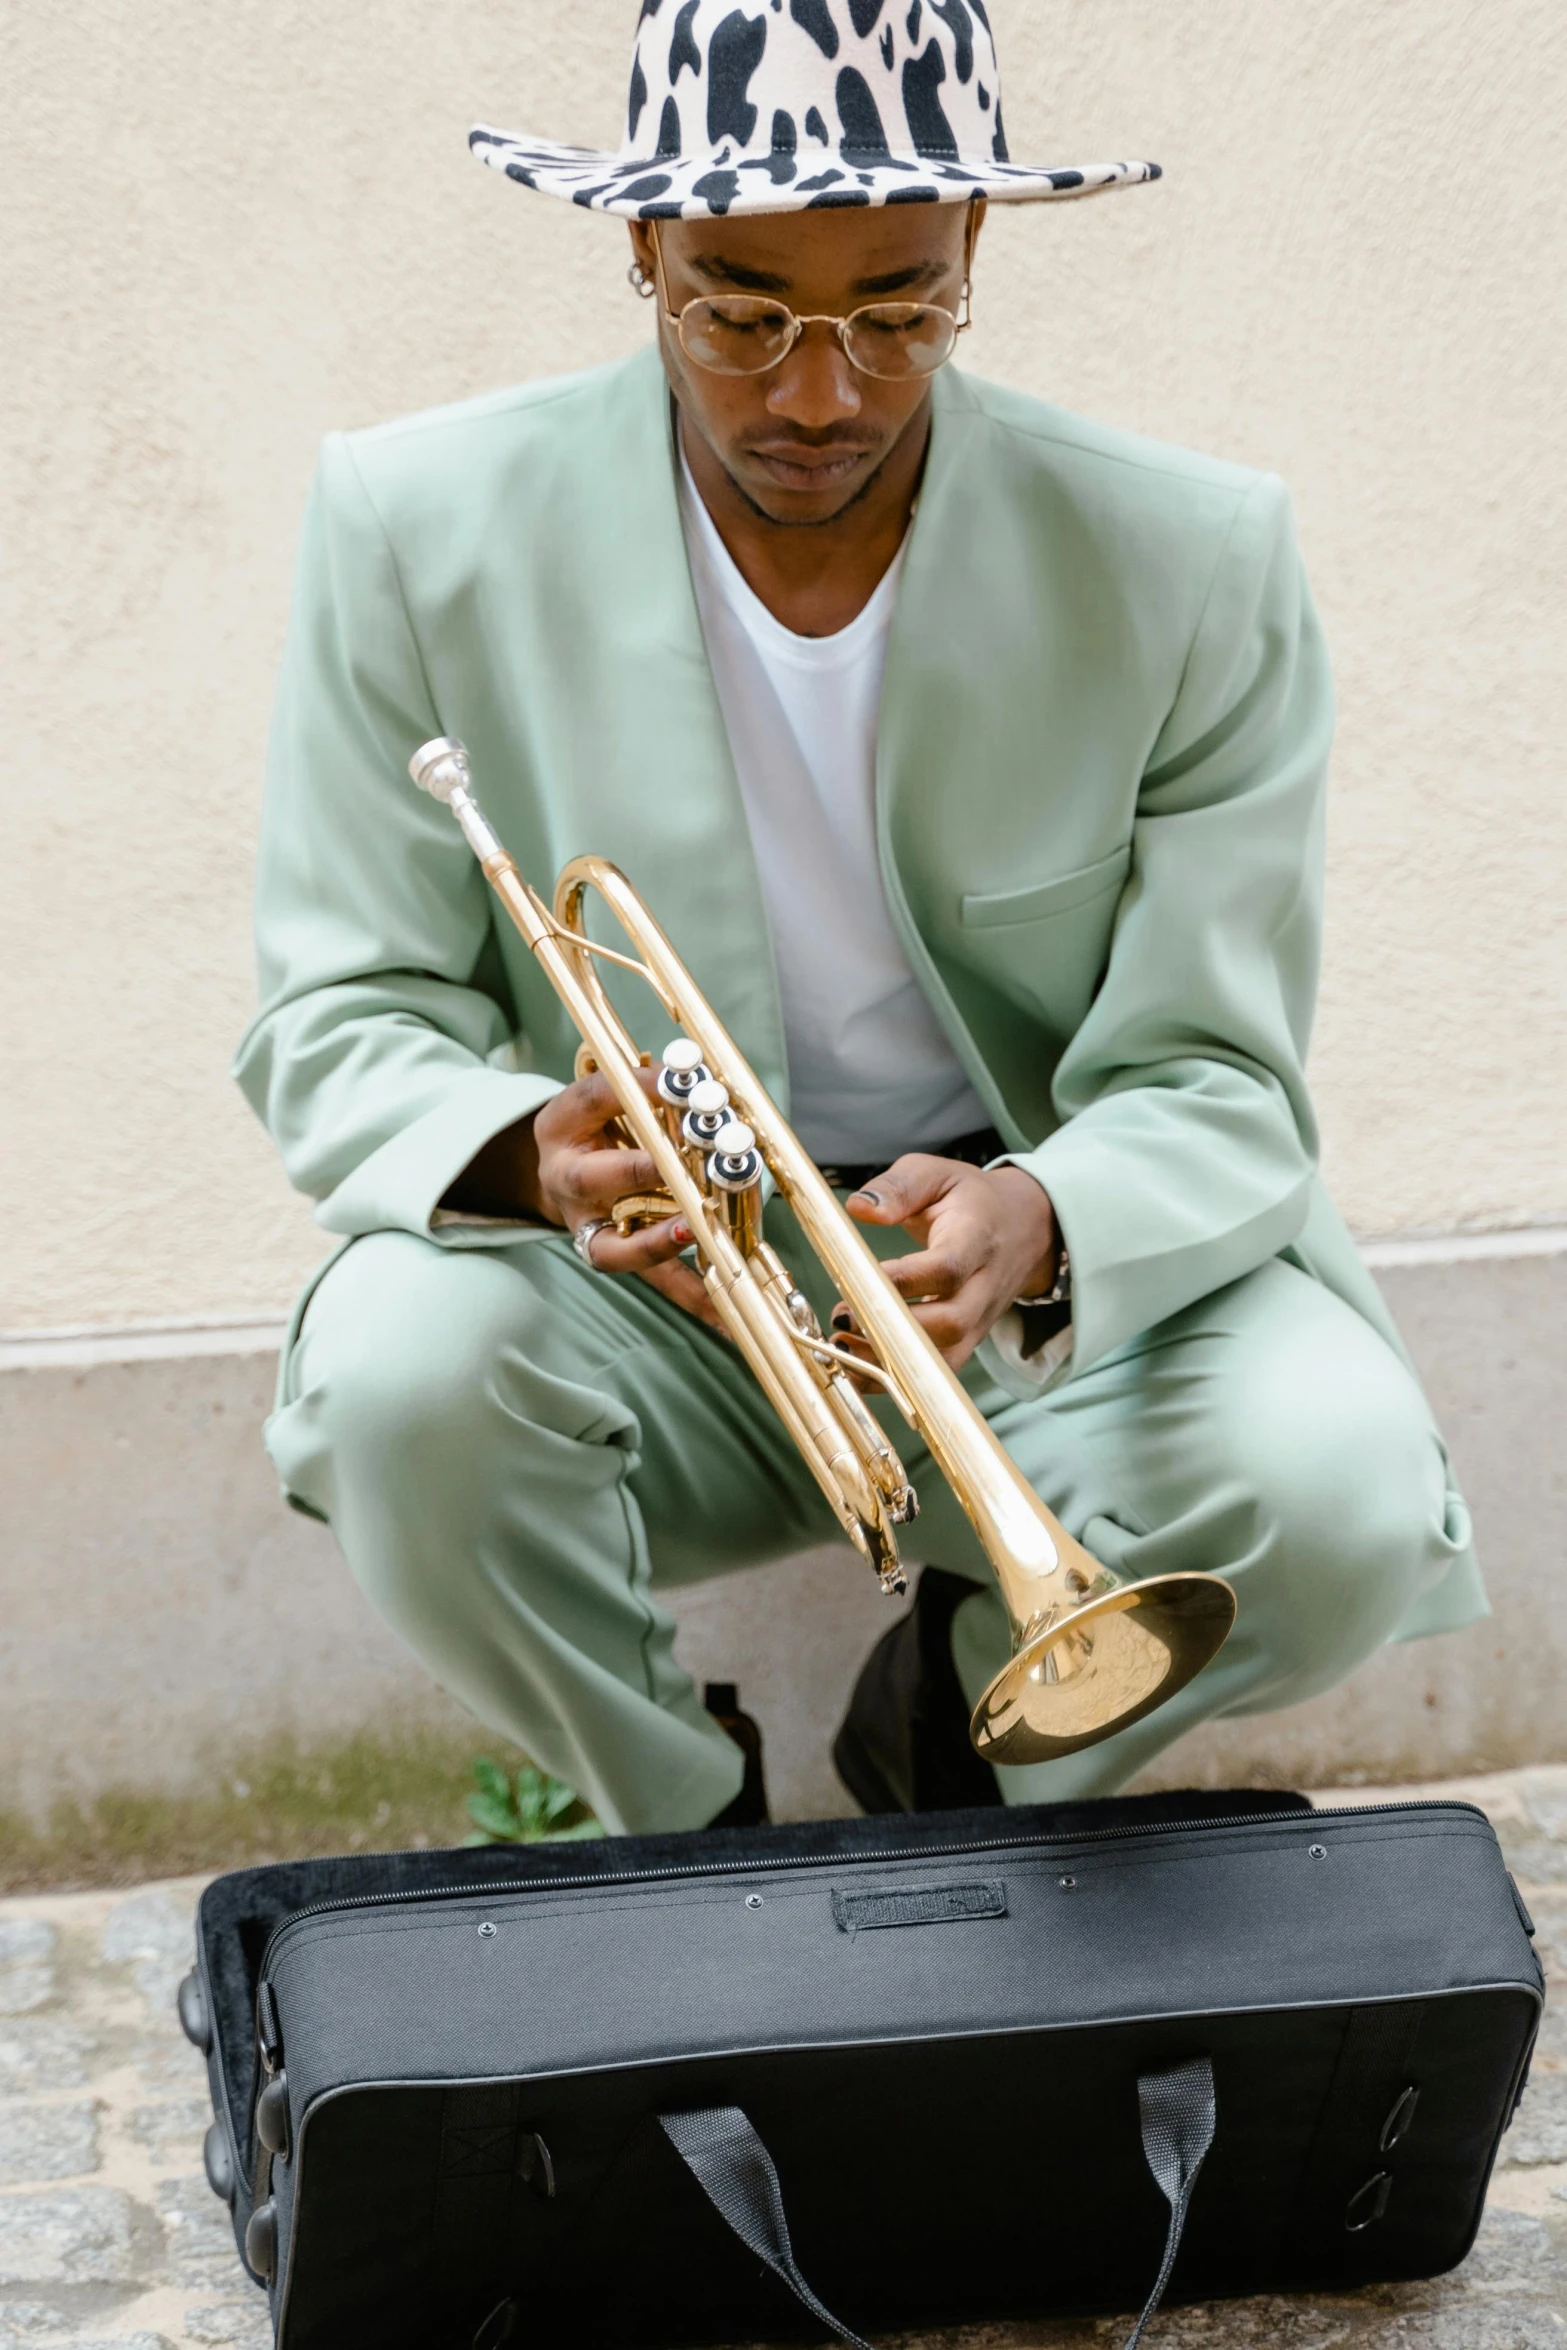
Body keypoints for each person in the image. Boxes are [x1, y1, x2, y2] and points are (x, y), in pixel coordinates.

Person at [237, 0, 1484, 1835]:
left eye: (895, 311)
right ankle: (685, 1834)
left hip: (1027, 1287)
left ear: (972, 251)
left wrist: (1044, 1211)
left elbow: (1222, 1079)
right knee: (391, 1376)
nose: (816, 392)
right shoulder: (418, 525)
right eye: (740, 309)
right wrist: (529, 1148)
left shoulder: (1185, 563)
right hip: (662, 1288)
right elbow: (333, 1017)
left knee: (1350, 1491)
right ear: (640, 247)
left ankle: (951, 1749)